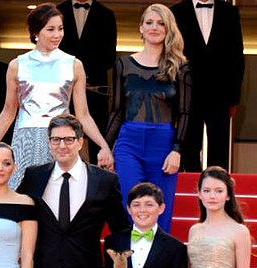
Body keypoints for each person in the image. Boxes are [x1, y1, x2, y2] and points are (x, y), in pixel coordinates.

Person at [0, 3, 113, 190]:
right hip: (26, 138)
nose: (57, 35)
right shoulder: (17, 65)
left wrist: (103, 145)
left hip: (61, 138)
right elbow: (9, 111)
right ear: (36, 32)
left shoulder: (74, 65)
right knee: (24, 196)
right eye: (50, 29)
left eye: (60, 28)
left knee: (60, 197)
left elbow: (83, 114)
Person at [17, 114, 130, 268]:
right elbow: (15, 213)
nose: (62, 145)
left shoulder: (104, 181)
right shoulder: (34, 176)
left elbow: (121, 229)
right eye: (56, 139)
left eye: (68, 139)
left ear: (80, 142)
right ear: (49, 142)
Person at [105, 3, 191, 232]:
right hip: (128, 143)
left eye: (161, 23)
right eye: (149, 22)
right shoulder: (123, 64)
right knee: (129, 205)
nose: (154, 27)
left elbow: (185, 113)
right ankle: (127, 264)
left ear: (168, 29)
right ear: (141, 28)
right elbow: (116, 111)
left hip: (163, 145)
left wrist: (177, 150)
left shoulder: (181, 68)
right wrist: (105, 147)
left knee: (161, 208)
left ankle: (157, 265)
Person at [171, 0, 244, 172]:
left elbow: (237, 57)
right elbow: (171, 56)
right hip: (187, 94)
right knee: (188, 146)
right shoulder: (176, 12)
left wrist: (234, 98)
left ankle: (219, 190)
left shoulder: (229, 12)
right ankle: (191, 191)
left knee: (219, 147)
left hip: (221, 95)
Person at [103, 182, 187, 268]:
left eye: (149, 205)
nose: (142, 210)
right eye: (136, 205)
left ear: (161, 208)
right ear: (129, 209)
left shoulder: (175, 248)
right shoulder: (113, 241)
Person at [57, 0, 117, 165]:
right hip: (61, 92)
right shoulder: (58, 11)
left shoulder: (106, 14)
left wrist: (82, 75)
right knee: (62, 138)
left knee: (97, 144)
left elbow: (110, 55)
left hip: (95, 91)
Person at [183, 166, 252, 268]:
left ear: (228, 195)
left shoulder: (239, 231)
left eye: (219, 191)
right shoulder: (194, 230)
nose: (212, 196)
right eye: (207, 191)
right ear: (199, 193)